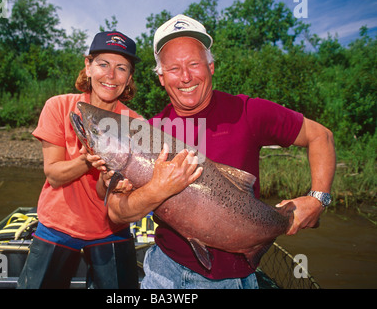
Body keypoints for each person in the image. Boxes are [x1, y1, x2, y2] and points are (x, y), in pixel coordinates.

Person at [105, 15, 336, 289]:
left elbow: (321, 136)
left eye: (194, 64)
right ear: (161, 77)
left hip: (232, 280)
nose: (186, 76)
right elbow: (116, 214)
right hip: (162, 272)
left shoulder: (248, 112)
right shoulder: (147, 132)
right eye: (174, 68)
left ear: (211, 66)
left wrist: (318, 198)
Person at [17, 31, 143, 289]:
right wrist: (88, 160)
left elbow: (122, 189)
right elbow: (53, 174)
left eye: (121, 68)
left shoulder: (137, 124)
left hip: (111, 230)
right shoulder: (59, 107)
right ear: (88, 66)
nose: (111, 75)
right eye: (103, 64)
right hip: (56, 226)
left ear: (129, 78)